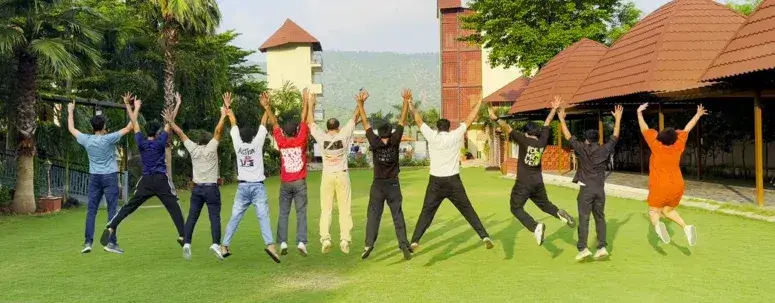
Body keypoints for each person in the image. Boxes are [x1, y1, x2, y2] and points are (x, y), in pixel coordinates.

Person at [100, 93, 186, 249]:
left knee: (130, 206)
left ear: (147, 132)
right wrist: (177, 104)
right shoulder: (160, 142)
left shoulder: (141, 141)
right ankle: (182, 234)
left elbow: (134, 122)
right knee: (174, 206)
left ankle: (112, 226)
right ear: (158, 132)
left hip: (146, 180)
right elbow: (170, 122)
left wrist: (131, 105)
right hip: (160, 180)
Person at [409, 96, 494, 251]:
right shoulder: (455, 136)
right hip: (453, 181)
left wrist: (409, 103)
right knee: (468, 210)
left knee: (427, 212)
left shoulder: (432, 136)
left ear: (437, 128)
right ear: (448, 128)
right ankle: (484, 236)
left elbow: (419, 121)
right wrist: (479, 103)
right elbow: (469, 119)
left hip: (436, 182)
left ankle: (415, 240)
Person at [488, 97, 576, 246]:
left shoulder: (524, 140)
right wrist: (554, 109)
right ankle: (559, 214)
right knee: (545, 205)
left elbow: (507, 128)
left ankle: (536, 227)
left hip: (523, 183)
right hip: (538, 182)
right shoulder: (542, 141)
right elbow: (547, 123)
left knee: (515, 208)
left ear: (528, 133)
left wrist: (496, 118)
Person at [166, 93, 229, 261]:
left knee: (192, 216)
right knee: (214, 217)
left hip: (197, 189)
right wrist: (224, 115)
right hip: (211, 189)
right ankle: (215, 244)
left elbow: (179, 133)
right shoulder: (211, 149)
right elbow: (218, 130)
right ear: (209, 142)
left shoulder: (193, 149)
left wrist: (170, 121)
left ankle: (187, 243)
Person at [69, 94, 134, 254]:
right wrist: (130, 106)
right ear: (104, 126)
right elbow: (130, 127)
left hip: (94, 178)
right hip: (109, 176)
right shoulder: (108, 138)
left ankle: (87, 243)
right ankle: (111, 243)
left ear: (92, 127)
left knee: (92, 210)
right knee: (112, 210)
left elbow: (71, 128)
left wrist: (70, 111)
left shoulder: (86, 139)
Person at [220, 92, 281, 263]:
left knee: (235, 217)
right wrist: (266, 107)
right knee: (263, 216)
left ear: (241, 136)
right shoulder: (257, 143)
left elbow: (232, 121)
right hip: (257, 187)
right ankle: (270, 245)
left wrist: (227, 106)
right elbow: (263, 123)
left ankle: (224, 245)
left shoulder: (237, 144)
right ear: (253, 137)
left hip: (243, 187)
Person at [557, 102, 623, 261]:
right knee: (600, 218)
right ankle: (602, 247)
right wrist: (618, 118)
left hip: (586, 190)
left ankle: (583, 248)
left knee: (584, 219)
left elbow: (568, 136)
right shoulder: (604, 149)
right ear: (598, 139)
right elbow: (615, 136)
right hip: (600, 191)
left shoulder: (582, 148)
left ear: (587, 140)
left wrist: (562, 119)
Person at [637, 103, 704, 247]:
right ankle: (686, 228)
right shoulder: (678, 146)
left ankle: (658, 226)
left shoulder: (656, 146)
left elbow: (645, 129)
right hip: (677, 185)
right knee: (668, 210)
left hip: (660, 185)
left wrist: (639, 113)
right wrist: (697, 115)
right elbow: (687, 128)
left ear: (660, 137)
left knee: (654, 211)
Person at [358, 89, 412, 260]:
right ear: (389, 133)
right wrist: (405, 101)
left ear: (379, 134)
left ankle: (368, 244)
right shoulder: (395, 140)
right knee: (397, 214)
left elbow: (365, 122)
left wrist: (360, 103)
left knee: (373, 214)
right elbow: (402, 120)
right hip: (393, 185)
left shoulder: (374, 141)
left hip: (378, 185)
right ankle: (403, 244)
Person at [308, 89, 361, 254]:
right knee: (345, 209)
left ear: (327, 127)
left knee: (326, 209)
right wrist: (360, 103)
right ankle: (345, 239)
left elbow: (310, 122)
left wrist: (311, 104)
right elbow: (354, 118)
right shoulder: (343, 134)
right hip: (342, 174)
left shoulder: (322, 137)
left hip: (328, 175)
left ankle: (325, 239)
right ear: (338, 127)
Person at [265, 88, 311, 257]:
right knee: (301, 213)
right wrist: (305, 101)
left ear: (285, 132)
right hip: (299, 183)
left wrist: (267, 107)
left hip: (285, 183)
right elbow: (304, 118)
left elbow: (274, 123)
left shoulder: (282, 141)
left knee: (283, 213)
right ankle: (301, 242)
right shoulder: (300, 140)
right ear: (297, 130)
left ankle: (283, 243)